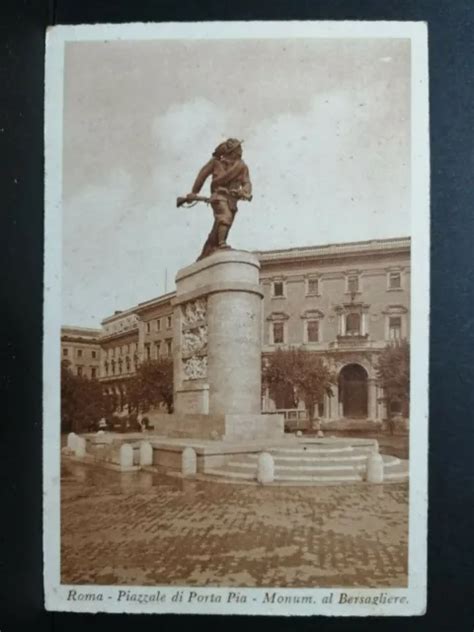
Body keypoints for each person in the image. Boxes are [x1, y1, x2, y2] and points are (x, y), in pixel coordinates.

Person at [185, 138, 252, 260]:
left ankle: (211, 248)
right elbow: (202, 175)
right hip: (218, 195)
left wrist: (244, 192)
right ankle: (222, 244)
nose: (241, 151)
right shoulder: (215, 163)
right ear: (232, 151)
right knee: (224, 217)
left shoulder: (242, 166)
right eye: (238, 148)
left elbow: (246, 182)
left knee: (225, 223)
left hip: (232, 198)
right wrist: (194, 192)